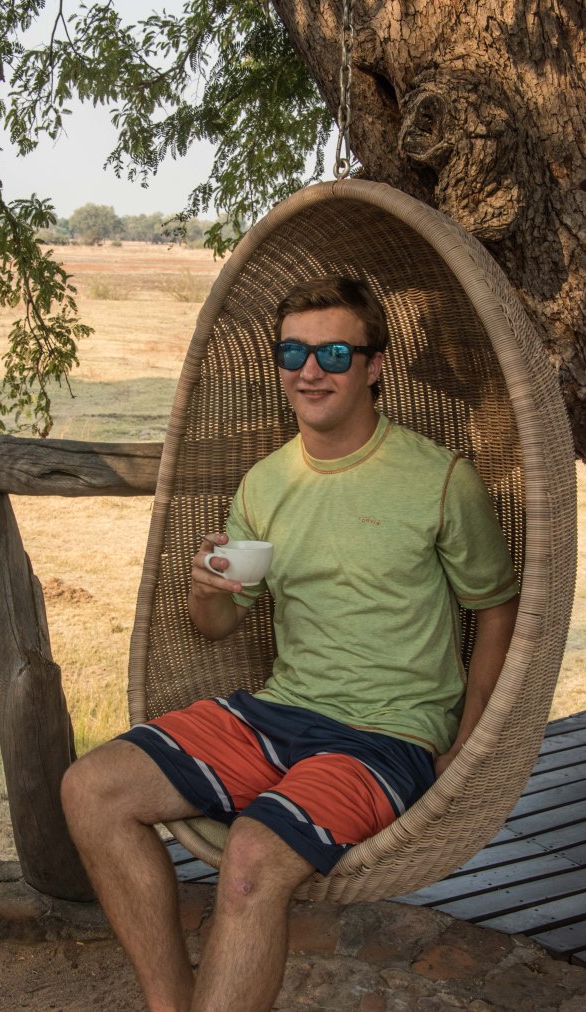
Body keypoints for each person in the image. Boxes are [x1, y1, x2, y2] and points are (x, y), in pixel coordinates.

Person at [61, 275, 519, 1012]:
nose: (312, 370)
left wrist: (465, 747)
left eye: (335, 351)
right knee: (91, 790)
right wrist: (206, 595)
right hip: (281, 712)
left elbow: (497, 610)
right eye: (294, 351)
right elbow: (218, 627)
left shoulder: (440, 480)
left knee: (249, 860)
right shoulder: (263, 486)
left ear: (373, 366)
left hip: (385, 736)